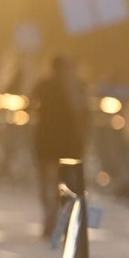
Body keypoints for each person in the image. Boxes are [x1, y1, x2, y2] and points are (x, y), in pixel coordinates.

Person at [30, 55, 87, 238]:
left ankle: (50, 219)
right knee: (53, 184)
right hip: (60, 142)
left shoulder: (46, 86)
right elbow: (81, 114)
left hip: (51, 141)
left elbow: (30, 107)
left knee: (49, 183)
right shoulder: (71, 87)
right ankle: (51, 218)